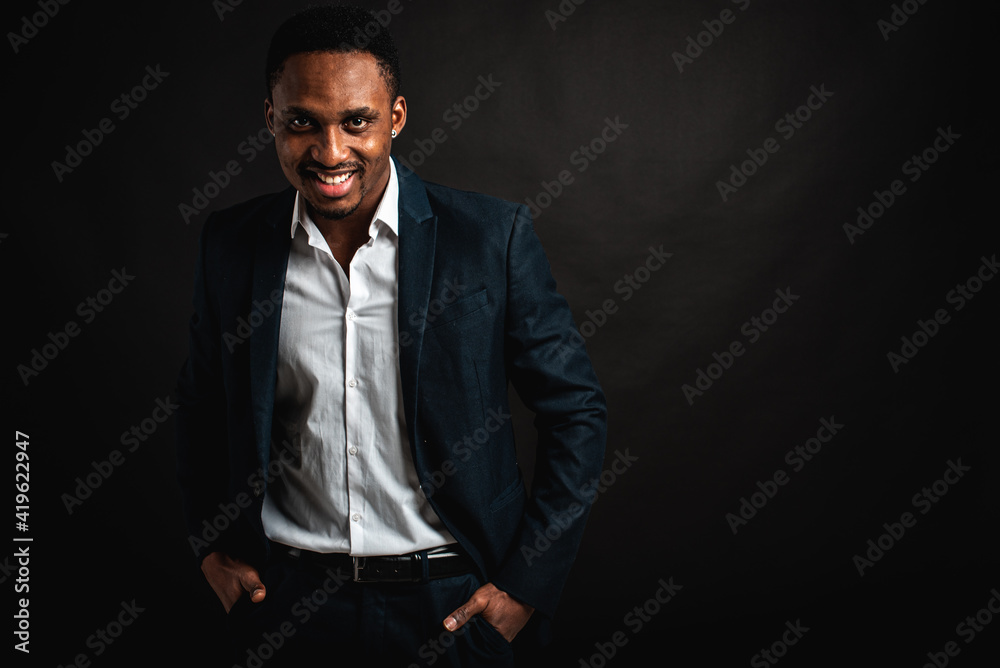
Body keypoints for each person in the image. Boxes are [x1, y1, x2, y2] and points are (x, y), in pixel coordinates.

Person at [175, 5, 606, 666]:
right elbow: (199, 407)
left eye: (357, 121)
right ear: (271, 120)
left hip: (453, 611)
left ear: (395, 118)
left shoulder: (491, 238)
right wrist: (210, 548)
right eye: (301, 124)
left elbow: (576, 413)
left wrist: (525, 585)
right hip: (286, 609)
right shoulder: (231, 247)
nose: (330, 152)